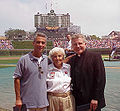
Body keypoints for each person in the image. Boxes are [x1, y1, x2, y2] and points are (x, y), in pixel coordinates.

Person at [67, 34, 106, 111]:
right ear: (72, 46)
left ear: (85, 44)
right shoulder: (71, 60)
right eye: (75, 44)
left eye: (80, 43)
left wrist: (95, 98)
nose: (78, 46)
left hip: (92, 101)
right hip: (77, 100)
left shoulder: (95, 57)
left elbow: (100, 79)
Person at [13, 32, 49, 111]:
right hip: (27, 103)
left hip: (43, 103)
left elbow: (59, 64)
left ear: (45, 45)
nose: (40, 45)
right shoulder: (24, 59)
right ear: (33, 43)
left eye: (43, 43)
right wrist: (18, 99)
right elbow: (17, 79)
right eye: (38, 42)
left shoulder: (47, 59)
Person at [47, 47, 75, 111]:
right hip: (52, 99)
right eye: (55, 56)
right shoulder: (47, 69)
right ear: (51, 58)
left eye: (59, 56)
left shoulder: (68, 67)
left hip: (67, 99)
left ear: (63, 56)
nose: (57, 58)